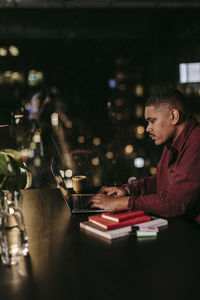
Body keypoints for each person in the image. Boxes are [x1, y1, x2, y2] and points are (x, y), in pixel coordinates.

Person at [89, 88, 200, 222]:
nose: (148, 128)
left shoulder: (196, 141)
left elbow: (175, 203)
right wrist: (129, 190)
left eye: (152, 121)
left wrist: (122, 202)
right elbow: (160, 181)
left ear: (174, 116)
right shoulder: (175, 141)